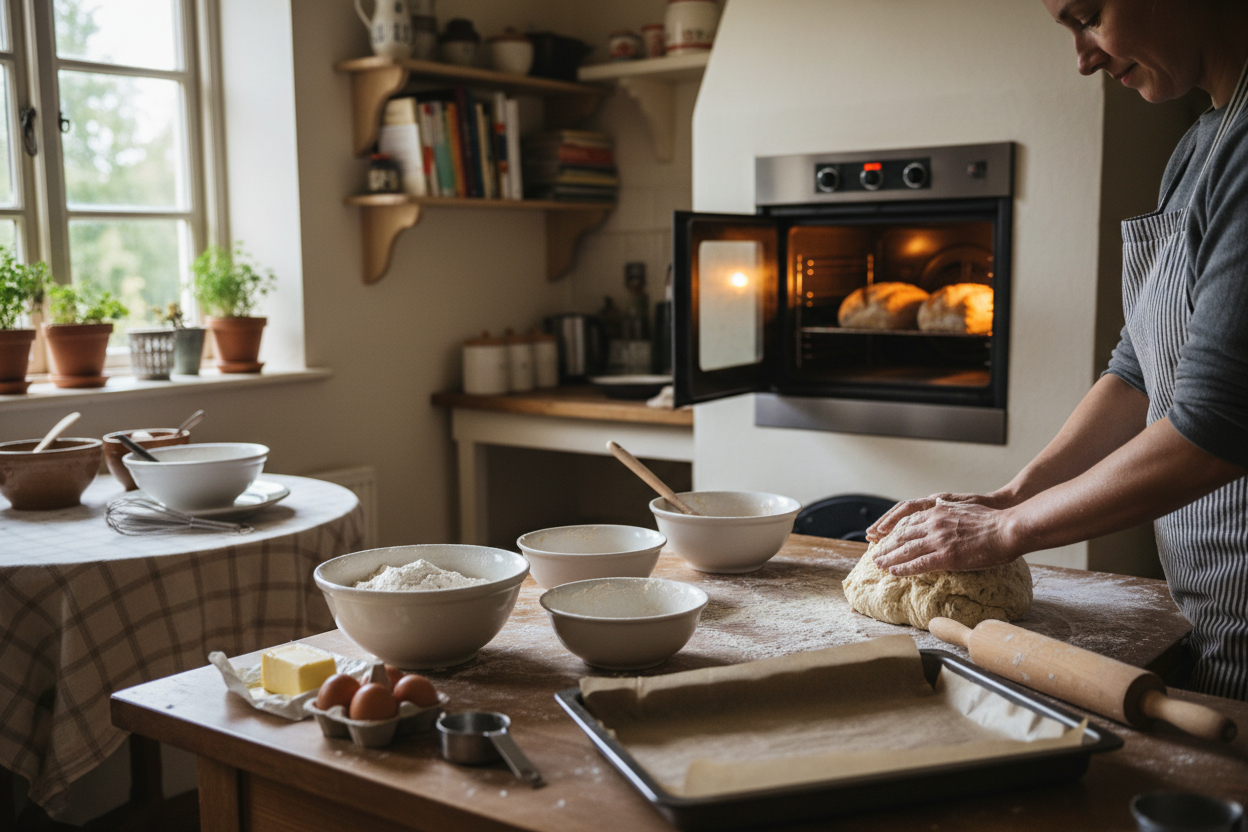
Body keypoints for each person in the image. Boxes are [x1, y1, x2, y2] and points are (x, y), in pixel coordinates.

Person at [864, 0, 1248, 701]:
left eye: (1088, 14)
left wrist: (1007, 531)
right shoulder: (1201, 147)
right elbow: (1137, 371)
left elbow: (1216, 427)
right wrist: (1017, 492)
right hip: (1215, 611)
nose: (1084, 57)